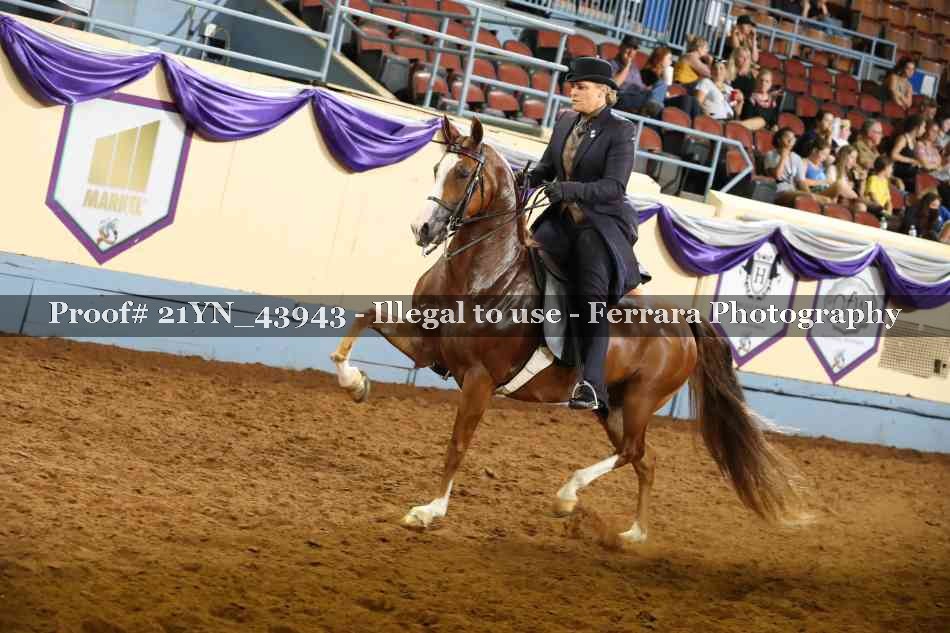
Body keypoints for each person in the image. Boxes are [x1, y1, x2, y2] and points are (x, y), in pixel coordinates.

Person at [522, 57, 642, 418]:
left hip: (598, 225)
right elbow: (547, 168)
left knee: (590, 298)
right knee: (518, 261)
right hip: (560, 222)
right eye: (572, 86)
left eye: (581, 87)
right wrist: (524, 179)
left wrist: (569, 189)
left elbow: (614, 187)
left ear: (603, 92)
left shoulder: (620, 131)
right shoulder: (564, 122)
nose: (573, 92)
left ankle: (591, 383)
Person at [694, 61, 768, 130]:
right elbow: (697, 103)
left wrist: (740, 102)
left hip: (730, 120)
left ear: (726, 71)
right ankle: (740, 127)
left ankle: (740, 126)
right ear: (711, 71)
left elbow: (737, 113)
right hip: (715, 119)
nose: (718, 71)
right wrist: (707, 115)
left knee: (762, 121)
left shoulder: (730, 89)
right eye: (715, 68)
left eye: (721, 68)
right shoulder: (706, 82)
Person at [608, 35, 667, 116]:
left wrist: (650, 90)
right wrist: (627, 65)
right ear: (621, 47)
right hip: (623, 95)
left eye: (634, 49)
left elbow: (640, 86)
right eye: (629, 47)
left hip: (638, 95)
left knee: (661, 84)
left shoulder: (634, 68)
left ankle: (650, 108)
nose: (631, 51)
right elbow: (614, 85)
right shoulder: (611, 64)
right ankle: (648, 110)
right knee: (631, 98)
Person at [639, 46, 701, 119]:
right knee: (685, 99)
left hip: (662, 102)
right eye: (669, 58)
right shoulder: (647, 72)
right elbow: (646, 90)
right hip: (653, 106)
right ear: (660, 59)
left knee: (691, 99)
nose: (671, 62)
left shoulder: (661, 76)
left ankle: (693, 124)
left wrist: (667, 95)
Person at [825, 145, 867, 214]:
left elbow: (860, 194)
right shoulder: (833, 169)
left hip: (847, 201)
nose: (854, 162)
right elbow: (831, 188)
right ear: (843, 156)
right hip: (835, 199)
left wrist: (863, 181)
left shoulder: (851, 174)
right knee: (862, 204)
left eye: (855, 158)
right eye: (852, 157)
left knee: (862, 207)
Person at [889, 115, 927, 192]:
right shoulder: (903, 138)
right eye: (923, 127)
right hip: (897, 170)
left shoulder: (915, 141)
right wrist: (911, 161)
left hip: (908, 172)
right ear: (917, 128)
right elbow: (893, 155)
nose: (925, 130)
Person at [864, 156, 895, 221]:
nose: (892, 170)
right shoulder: (873, 178)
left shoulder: (885, 181)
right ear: (885, 168)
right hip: (874, 207)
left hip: (882, 210)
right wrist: (881, 209)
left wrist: (889, 212)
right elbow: (872, 196)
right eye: (891, 168)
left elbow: (888, 201)